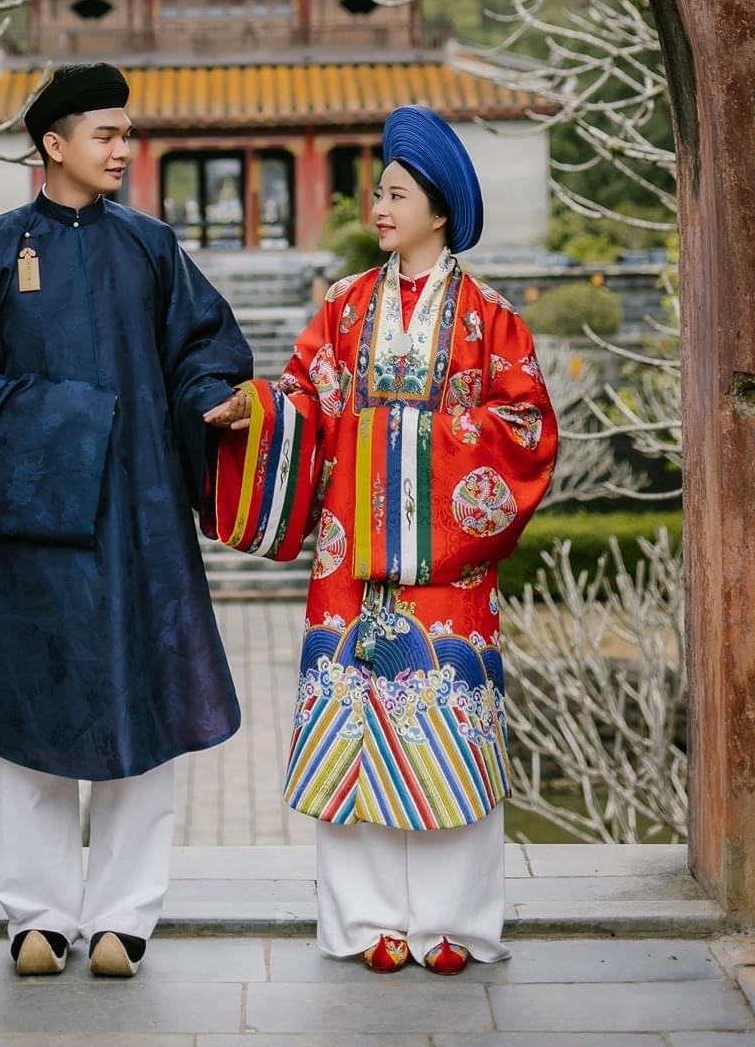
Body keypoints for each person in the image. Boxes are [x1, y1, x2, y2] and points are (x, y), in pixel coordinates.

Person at [0, 62, 252, 979]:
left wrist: (211, 399)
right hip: (32, 529)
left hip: (139, 521)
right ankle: (39, 917)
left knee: (145, 713)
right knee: (29, 721)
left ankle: (125, 918)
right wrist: (67, 423)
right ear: (52, 144)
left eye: (127, 134)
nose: (123, 149)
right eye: (106, 134)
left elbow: (203, 347)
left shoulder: (152, 246)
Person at [203, 105, 558, 975]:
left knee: (447, 731)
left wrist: (402, 439)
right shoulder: (344, 305)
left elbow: (525, 427)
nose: (379, 207)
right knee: (352, 731)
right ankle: (366, 922)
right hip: (349, 568)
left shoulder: (489, 317)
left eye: (397, 194)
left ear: (440, 209)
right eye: (379, 192)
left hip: (446, 572)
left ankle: (452, 922)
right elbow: (305, 398)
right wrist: (259, 409)